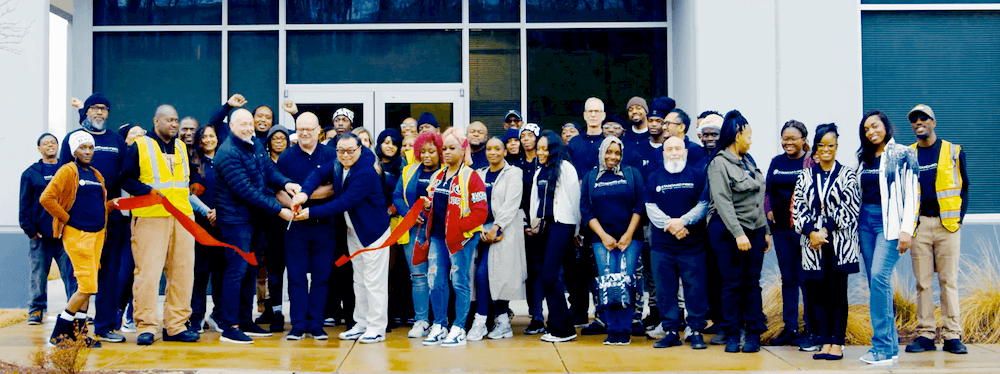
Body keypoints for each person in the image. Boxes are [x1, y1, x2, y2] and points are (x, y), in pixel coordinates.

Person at [292, 133, 392, 344]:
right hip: (354, 231)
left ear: (360, 149)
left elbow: (344, 202)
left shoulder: (366, 171)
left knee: (374, 282)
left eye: (350, 151)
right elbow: (318, 173)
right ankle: (361, 324)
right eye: (341, 151)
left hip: (373, 233)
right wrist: (303, 193)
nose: (345, 155)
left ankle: (376, 328)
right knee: (359, 280)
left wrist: (310, 212)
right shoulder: (338, 163)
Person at [214, 109, 299, 344]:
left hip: (254, 220)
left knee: (251, 271)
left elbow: (268, 170)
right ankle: (230, 326)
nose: (248, 128)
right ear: (232, 126)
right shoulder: (228, 153)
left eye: (250, 124)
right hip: (235, 221)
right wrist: (279, 209)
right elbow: (246, 191)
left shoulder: (254, 144)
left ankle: (245, 320)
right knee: (236, 271)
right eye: (242, 124)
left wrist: (286, 183)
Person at [118, 105, 201, 345]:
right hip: (150, 216)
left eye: (176, 120)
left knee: (183, 273)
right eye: (169, 120)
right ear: (156, 121)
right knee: (148, 274)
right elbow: (126, 178)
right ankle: (146, 327)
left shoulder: (182, 147)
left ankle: (176, 326)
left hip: (182, 217)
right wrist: (147, 191)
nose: (174, 125)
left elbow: (188, 178)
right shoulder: (140, 145)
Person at [60, 93, 129, 344]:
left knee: (110, 273)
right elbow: (62, 180)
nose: (100, 112)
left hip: (111, 218)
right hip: (81, 220)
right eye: (95, 108)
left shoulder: (116, 140)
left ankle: (105, 326)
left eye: (104, 108)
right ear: (86, 112)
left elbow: (126, 175)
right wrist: (67, 218)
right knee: (82, 276)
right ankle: (75, 329)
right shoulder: (72, 139)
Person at [904, 104, 969, 355]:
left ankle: (952, 335)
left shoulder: (953, 151)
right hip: (919, 225)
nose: (918, 123)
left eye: (924, 118)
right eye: (914, 120)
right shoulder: (908, 154)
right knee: (923, 283)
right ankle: (926, 335)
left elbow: (964, 186)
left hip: (947, 225)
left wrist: (958, 219)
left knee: (948, 281)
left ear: (934, 122)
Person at [40, 132, 115, 348]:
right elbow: (46, 198)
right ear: (74, 151)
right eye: (83, 148)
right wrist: (67, 218)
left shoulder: (96, 174)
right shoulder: (67, 171)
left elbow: (94, 204)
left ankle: (80, 335)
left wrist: (110, 206)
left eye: (90, 148)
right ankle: (59, 333)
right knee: (86, 286)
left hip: (97, 235)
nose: (88, 152)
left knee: (89, 287)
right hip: (77, 235)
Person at [792, 123, 860, 361]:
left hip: (838, 243)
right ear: (816, 148)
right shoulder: (805, 176)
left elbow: (850, 208)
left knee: (837, 293)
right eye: (822, 145)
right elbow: (798, 208)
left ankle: (837, 343)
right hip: (813, 245)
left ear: (837, 146)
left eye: (831, 145)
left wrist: (824, 230)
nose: (826, 150)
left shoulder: (848, 174)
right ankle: (824, 341)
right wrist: (811, 232)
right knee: (817, 293)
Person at [855, 110, 918, 365]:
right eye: (866, 129)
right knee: (876, 284)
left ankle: (880, 347)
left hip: (889, 224)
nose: (871, 132)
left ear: (885, 126)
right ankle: (890, 348)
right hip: (865, 222)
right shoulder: (865, 158)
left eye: (875, 126)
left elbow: (912, 192)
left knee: (879, 277)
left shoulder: (903, 153)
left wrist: (906, 229)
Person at [706, 110, 772, 354]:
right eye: (749, 136)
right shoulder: (719, 163)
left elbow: (758, 199)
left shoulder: (749, 162)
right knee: (732, 284)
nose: (751, 141)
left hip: (755, 229)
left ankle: (753, 334)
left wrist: (765, 230)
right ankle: (732, 334)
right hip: (728, 231)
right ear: (737, 135)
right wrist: (738, 233)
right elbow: (722, 201)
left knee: (752, 284)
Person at [417, 128, 488, 347]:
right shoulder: (438, 176)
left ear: (463, 149)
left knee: (459, 282)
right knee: (435, 281)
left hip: (462, 239)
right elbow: (431, 205)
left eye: (452, 148)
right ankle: (439, 325)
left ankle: (459, 328)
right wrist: (426, 208)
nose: (446, 152)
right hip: (438, 237)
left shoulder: (472, 176)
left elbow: (481, 212)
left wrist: (458, 228)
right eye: (444, 148)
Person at [276, 112, 338, 340]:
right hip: (295, 226)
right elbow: (278, 190)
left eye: (309, 129)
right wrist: (293, 205)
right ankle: (298, 324)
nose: (304, 133)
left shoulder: (331, 154)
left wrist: (304, 196)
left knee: (322, 276)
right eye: (300, 128)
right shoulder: (286, 157)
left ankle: (316, 324)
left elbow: (334, 187)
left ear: (318, 130)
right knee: (296, 276)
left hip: (324, 225)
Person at [644, 136, 710, 349]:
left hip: (693, 245)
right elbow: (650, 207)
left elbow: (703, 204)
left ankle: (696, 330)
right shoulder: (653, 177)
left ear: (686, 152)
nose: (674, 152)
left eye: (678, 148)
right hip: (662, 246)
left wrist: (682, 222)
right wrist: (672, 225)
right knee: (665, 290)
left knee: (695, 289)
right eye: (669, 149)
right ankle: (671, 331)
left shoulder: (698, 175)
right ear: (663, 153)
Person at [580, 136, 645, 345]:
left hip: (630, 239)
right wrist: (603, 235)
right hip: (602, 240)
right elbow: (586, 209)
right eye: (609, 152)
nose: (613, 157)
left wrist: (628, 234)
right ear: (601, 153)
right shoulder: (591, 177)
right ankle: (612, 329)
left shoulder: (632, 174)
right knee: (607, 283)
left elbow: (640, 204)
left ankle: (624, 330)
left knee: (625, 281)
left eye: (617, 153)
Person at [469, 137, 526, 341]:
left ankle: (481, 322)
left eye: (497, 149)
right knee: (483, 276)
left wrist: (496, 227)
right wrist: (478, 228)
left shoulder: (513, 173)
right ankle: (501, 322)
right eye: (489, 149)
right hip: (481, 233)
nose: (492, 152)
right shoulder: (479, 174)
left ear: (504, 152)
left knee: (491, 276)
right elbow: (472, 203)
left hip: (503, 232)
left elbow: (511, 203)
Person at [528, 130, 581, 343]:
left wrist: (576, 231)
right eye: (538, 148)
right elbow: (535, 201)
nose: (540, 152)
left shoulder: (566, 168)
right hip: (543, 228)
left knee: (550, 275)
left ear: (554, 148)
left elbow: (575, 200)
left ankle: (563, 329)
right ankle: (557, 324)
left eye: (545, 148)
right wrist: (533, 224)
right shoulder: (539, 171)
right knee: (546, 276)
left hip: (563, 225)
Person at [21, 134, 78, 325]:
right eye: (45, 143)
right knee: (38, 275)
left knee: (71, 275)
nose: (50, 146)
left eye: (53, 142)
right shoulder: (31, 173)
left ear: (58, 146)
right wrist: (30, 230)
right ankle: (36, 310)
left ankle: (75, 310)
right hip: (40, 235)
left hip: (65, 234)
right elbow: (24, 204)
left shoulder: (68, 170)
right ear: (39, 148)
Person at [764, 120, 811, 347]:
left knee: (806, 278)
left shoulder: (810, 161)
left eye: (793, 138)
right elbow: (767, 191)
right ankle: (790, 327)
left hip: (804, 230)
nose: (788, 142)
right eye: (785, 138)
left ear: (803, 140)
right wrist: (768, 210)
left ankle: (810, 327)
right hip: (781, 230)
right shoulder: (777, 161)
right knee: (788, 278)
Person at [393, 132, 444, 338]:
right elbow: (397, 196)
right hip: (414, 231)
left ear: (440, 152)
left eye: (431, 151)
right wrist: (410, 215)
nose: (426, 156)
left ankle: (440, 322)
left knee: (438, 277)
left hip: (439, 232)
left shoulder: (447, 172)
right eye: (422, 152)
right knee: (418, 276)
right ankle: (421, 321)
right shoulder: (409, 170)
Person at [189, 124, 226, 334]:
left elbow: (231, 190)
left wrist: (219, 212)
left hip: (222, 225)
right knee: (200, 273)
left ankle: (218, 315)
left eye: (212, 136)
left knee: (221, 272)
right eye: (204, 136)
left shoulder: (224, 161)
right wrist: (208, 213)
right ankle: (196, 317)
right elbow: (189, 194)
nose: (208, 140)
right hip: (200, 226)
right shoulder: (194, 164)